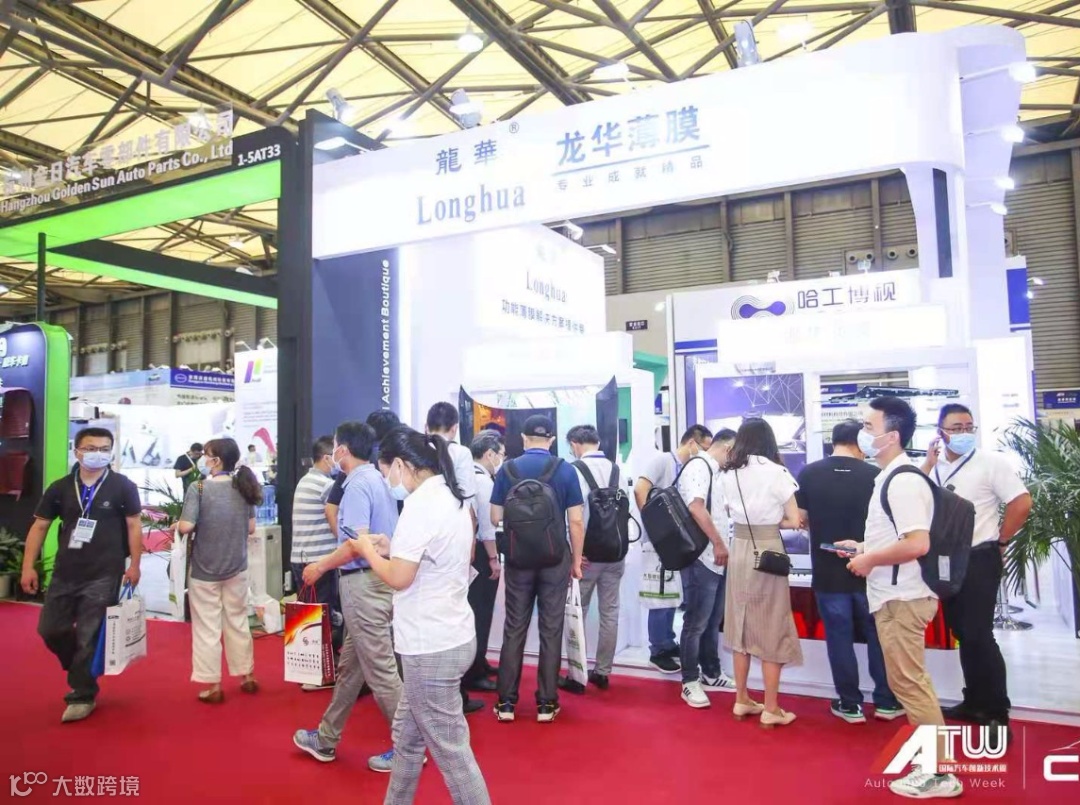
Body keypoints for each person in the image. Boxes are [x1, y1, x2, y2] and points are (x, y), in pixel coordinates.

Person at [345, 428, 491, 805]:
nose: (388, 482)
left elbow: (399, 577)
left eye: (386, 473)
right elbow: (438, 555)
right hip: (451, 633)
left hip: (430, 644)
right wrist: (390, 546)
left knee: (453, 755)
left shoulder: (421, 504)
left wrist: (367, 550)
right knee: (407, 742)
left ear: (401, 465)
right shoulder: (451, 496)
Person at [840, 397, 962, 799]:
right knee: (908, 682)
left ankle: (938, 772)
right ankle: (935, 766)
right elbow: (898, 536)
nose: (862, 432)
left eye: (868, 426)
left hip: (903, 597)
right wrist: (863, 547)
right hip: (894, 595)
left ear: (891, 436)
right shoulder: (890, 477)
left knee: (909, 684)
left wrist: (869, 559)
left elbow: (917, 543)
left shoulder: (903, 480)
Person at [294, 422, 403, 773]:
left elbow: (358, 544)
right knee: (351, 670)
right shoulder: (376, 480)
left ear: (343, 450)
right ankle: (326, 738)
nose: (334, 453)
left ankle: (409, 747)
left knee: (381, 671)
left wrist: (320, 566)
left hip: (362, 584)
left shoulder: (357, 485)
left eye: (336, 446)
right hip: (373, 581)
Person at [922, 403, 1031, 732]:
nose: (964, 433)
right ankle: (974, 701)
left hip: (979, 556)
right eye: (956, 428)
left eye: (968, 427)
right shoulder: (933, 465)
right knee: (962, 632)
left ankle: (996, 710)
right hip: (944, 561)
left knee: (979, 634)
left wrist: (1002, 540)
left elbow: (1021, 502)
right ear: (940, 431)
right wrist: (927, 464)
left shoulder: (990, 463)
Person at [21, 427, 142, 723]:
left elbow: (134, 525)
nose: (97, 453)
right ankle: (79, 666)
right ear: (76, 451)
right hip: (65, 571)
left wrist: (135, 565)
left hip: (105, 572)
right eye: (90, 448)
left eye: (104, 448)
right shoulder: (60, 487)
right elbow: (40, 526)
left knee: (89, 635)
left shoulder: (122, 486)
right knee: (50, 630)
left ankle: (82, 694)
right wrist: (28, 566)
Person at [796, 420, 902, 724]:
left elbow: (800, 519)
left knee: (838, 637)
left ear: (833, 441)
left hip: (827, 570)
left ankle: (850, 704)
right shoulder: (876, 475)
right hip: (870, 569)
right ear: (860, 443)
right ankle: (885, 702)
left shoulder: (809, 473)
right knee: (878, 635)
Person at [490, 415, 585, 723]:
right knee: (551, 628)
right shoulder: (565, 469)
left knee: (514, 627)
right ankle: (546, 704)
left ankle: (506, 703)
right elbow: (576, 522)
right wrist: (576, 561)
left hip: (518, 559)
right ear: (552, 439)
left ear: (523, 437)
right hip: (555, 559)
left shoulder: (507, 469)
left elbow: (495, 517)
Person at [718, 418, 802, 727]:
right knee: (772, 625)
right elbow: (794, 520)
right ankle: (771, 707)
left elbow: (727, 511)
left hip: (739, 548)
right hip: (768, 549)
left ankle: (741, 698)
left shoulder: (729, 474)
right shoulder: (777, 472)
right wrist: (772, 520)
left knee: (739, 623)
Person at [177, 438, 262, 703]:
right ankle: (247, 675)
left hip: (205, 568)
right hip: (237, 566)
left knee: (207, 627)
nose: (204, 459)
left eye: (207, 455)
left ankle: (213, 684)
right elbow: (251, 528)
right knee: (238, 620)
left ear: (216, 460)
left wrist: (177, 525)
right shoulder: (243, 487)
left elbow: (186, 526)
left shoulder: (199, 488)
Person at [633, 424, 714, 674]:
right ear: (691, 443)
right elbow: (640, 489)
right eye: (703, 447)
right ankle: (658, 650)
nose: (705, 453)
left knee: (672, 595)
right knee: (660, 596)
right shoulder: (662, 461)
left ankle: (667, 643)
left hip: (677, 541)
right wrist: (654, 524)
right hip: (659, 541)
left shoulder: (691, 468)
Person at [558, 425, 626, 695]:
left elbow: (574, 519)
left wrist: (574, 555)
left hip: (585, 557)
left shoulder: (574, 470)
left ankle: (577, 676)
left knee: (577, 613)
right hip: (616, 554)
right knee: (610, 612)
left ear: (575, 443)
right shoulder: (618, 470)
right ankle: (603, 672)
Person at [676, 428, 737, 709]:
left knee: (712, 619)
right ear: (728, 448)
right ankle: (689, 680)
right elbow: (696, 508)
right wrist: (718, 543)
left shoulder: (716, 471)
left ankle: (711, 671)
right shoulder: (698, 466)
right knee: (696, 621)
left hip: (716, 557)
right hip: (702, 556)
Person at [290, 436, 343, 685]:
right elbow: (337, 520)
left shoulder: (305, 481)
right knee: (322, 616)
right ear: (327, 458)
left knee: (309, 615)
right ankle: (319, 674)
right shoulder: (325, 485)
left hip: (302, 557)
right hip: (317, 559)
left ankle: (311, 671)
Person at [462, 430, 505, 694]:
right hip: (482, 552)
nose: (502, 459)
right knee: (480, 611)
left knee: (476, 610)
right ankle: (474, 670)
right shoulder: (485, 482)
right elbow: (488, 527)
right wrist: (493, 558)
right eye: (501, 454)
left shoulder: (467, 477)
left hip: (471, 551)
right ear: (489, 454)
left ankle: (479, 661)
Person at [326, 410, 403, 533]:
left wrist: (344, 541)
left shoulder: (357, 485)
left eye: (335, 445)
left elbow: (358, 539)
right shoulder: (379, 476)